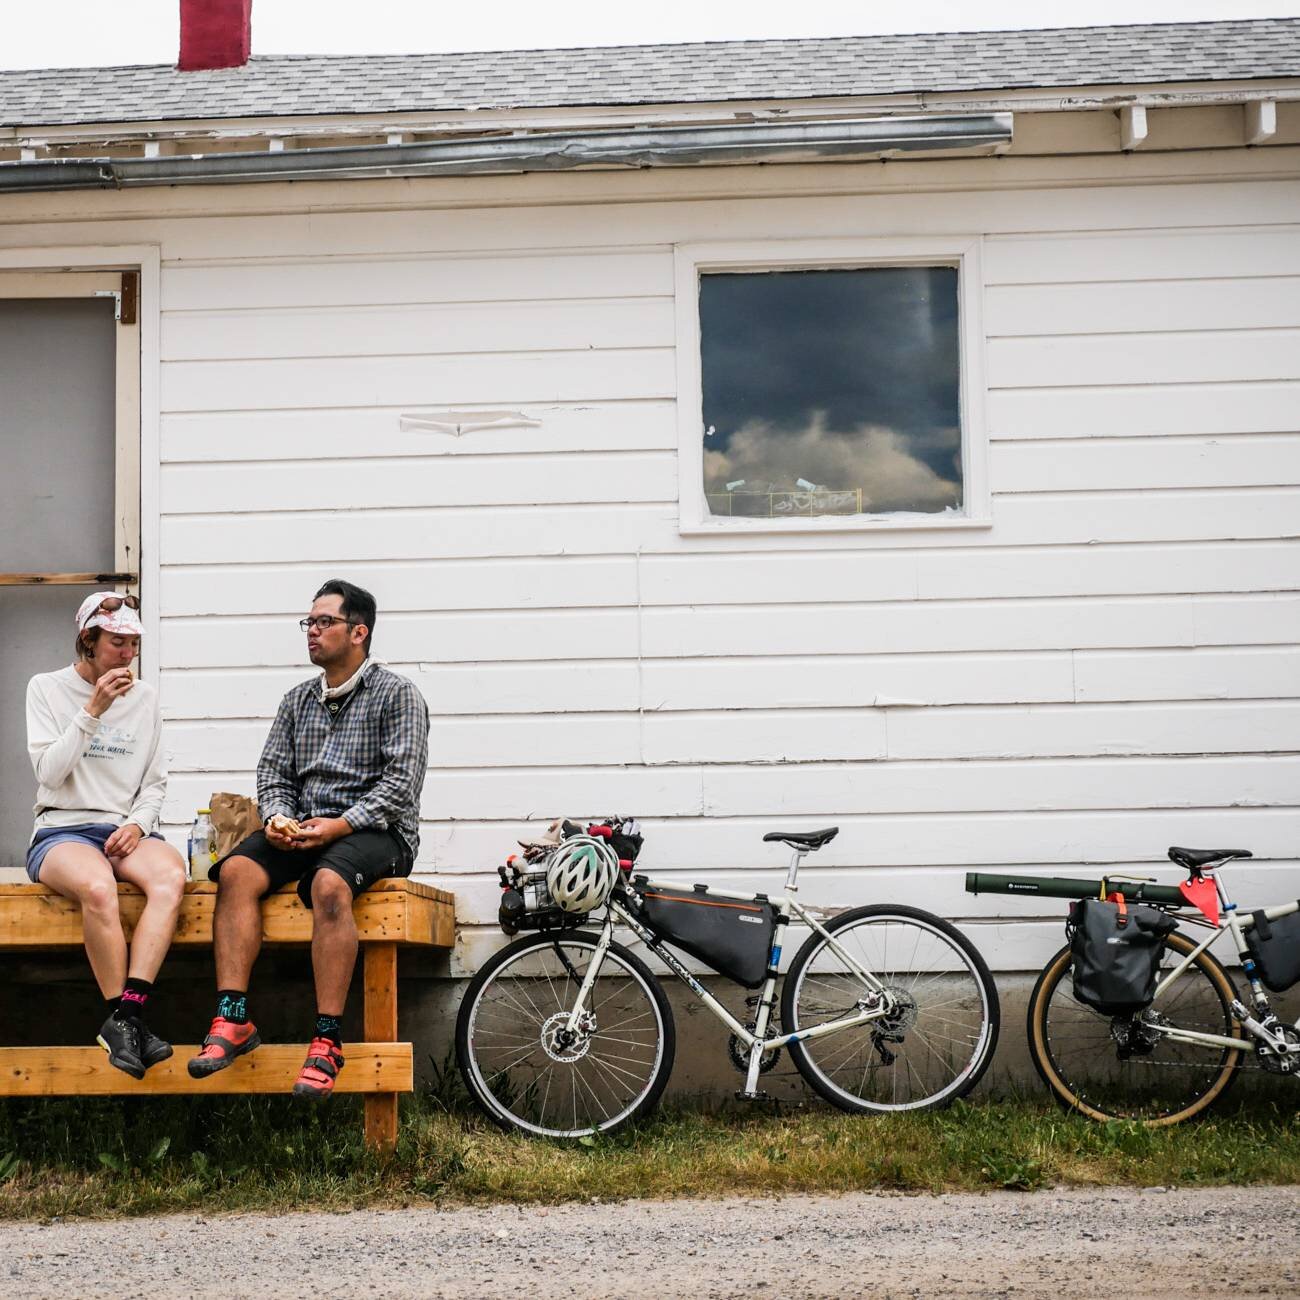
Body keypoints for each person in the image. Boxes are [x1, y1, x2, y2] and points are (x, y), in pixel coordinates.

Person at [188, 579, 430, 1099]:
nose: (312, 631)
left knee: (327, 885)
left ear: (359, 632)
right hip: (303, 828)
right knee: (234, 871)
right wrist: (277, 816)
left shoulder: (398, 695)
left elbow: (401, 784)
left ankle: (327, 1040)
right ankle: (232, 1021)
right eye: (309, 622)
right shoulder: (297, 700)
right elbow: (273, 773)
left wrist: (341, 825)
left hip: (377, 832)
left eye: (325, 622)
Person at [25, 591, 186, 1078]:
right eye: (117, 642)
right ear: (87, 642)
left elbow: (155, 783)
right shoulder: (46, 689)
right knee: (98, 889)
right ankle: (128, 1019)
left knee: (171, 878)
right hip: (62, 828)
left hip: (123, 828)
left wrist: (138, 824)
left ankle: (127, 1017)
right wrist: (92, 711)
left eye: (134, 643)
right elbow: (49, 773)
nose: (127, 654)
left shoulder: (146, 699)